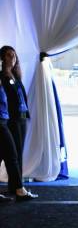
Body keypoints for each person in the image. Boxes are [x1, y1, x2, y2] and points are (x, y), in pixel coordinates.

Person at [0, 46, 37, 200]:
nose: (12, 58)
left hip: (20, 118)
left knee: (13, 154)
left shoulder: (16, 76)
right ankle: (18, 188)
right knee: (12, 155)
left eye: (14, 55)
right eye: (9, 55)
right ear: (2, 58)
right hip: (9, 120)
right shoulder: (3, 77)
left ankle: (15, 188)